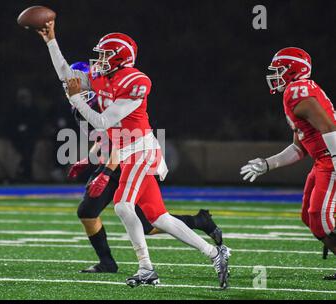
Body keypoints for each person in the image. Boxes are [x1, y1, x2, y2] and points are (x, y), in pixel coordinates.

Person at [38, 21, 230, 289]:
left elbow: (103, 122)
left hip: (140, 149)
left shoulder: (135, 81)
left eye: (105, 55)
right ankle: (215, 253)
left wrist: (76, 99)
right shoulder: (102, 76)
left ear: (119, 58)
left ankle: (146, 268)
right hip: (128, 151)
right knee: (158, 218)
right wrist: (51, 41)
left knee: (122, 205)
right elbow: (65, 75)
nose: (99, 60)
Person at [66, 62, 223, 274]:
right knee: (87, 211)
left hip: (130, 161)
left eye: (76, 82)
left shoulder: (107, 98)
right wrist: (88, 158)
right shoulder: (81, 108)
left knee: (149, 222)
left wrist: (105, 172)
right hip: (114, 161)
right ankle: (108, 262)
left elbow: (123, 140)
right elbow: (104, 139)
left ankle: (197, 223)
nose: (73, 87)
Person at [240, 47, 336, 280]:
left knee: (320, 218)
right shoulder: (294, 91)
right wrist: (268, 164)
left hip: (330, 160)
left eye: (279, 70)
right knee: (309, 216)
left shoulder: (297, 91)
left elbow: (330, 129)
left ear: (293, 71)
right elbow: (298, 148)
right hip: (321, 161)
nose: (273, 75)